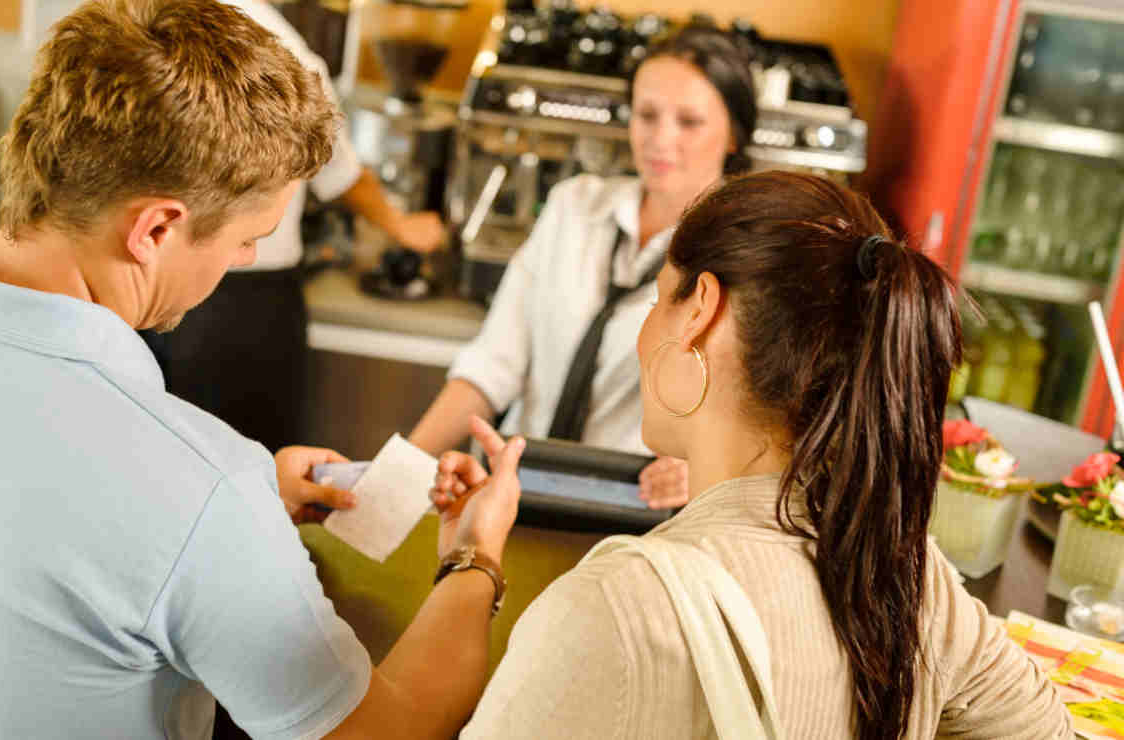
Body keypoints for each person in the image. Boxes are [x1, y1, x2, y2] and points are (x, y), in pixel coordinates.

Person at [0, 2, 522, 738]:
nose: (247, 260)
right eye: (246, 237)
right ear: (157, 229)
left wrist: (247, 495)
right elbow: (386, 731)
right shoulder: (202, 492)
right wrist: (473, 558)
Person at [438, 171, 1074, 738]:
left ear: (701, 312)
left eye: (661, 299)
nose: (644, 333)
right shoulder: (908, 577)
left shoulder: (612, 609)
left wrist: (470, 565)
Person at [410, 25, 757, 510]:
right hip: (513, 490)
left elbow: (755, 422)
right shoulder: (572, 206)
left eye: (689, 121)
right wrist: (399, 472)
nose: (660, 139)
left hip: (630, 514)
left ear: (734, 135)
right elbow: (492, 366)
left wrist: (706, 462)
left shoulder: (747, 256)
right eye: (647, 115)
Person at [150, 0, 447, 454]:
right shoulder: (281, 52)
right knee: (247, 461)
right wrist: (401, 226)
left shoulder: (152, 27)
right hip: (243, 307)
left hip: (160, 279)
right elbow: (339, 173)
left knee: (169, 454)